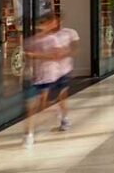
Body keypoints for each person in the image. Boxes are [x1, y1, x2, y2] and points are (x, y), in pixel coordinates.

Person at [22, 13, 78, 148]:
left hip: (53, 76)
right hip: (36, 78)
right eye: (41, 23)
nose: (42, 26)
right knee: (32, 107)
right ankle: (29, 136)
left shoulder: (55, 38)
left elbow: (56, 55)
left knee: (49, 102)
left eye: (45, 23)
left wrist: (35, 55)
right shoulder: (31, 40)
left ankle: (62, 117)